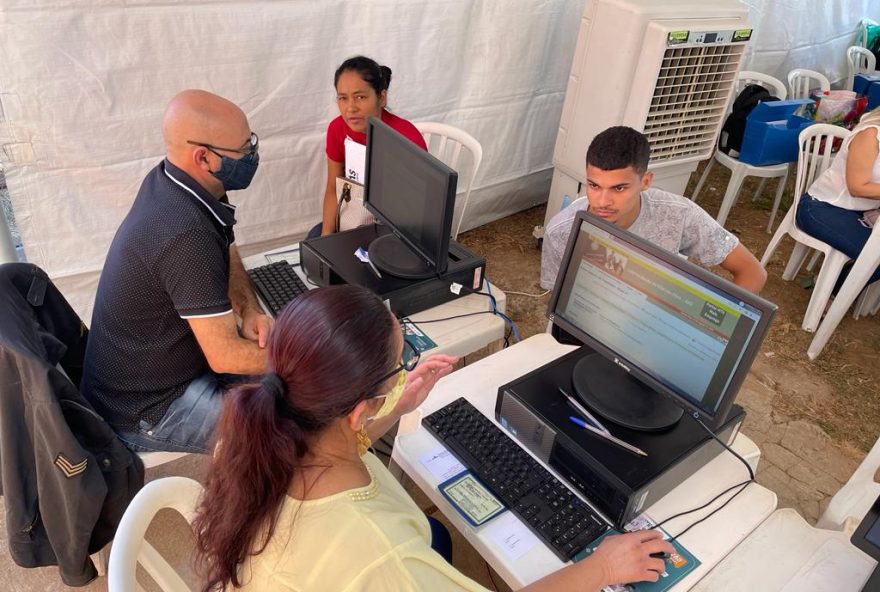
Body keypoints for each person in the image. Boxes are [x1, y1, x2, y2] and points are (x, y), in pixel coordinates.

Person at [193, 285, 674, 592]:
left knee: (437, 536)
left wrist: (396, 405)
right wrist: (604, 569)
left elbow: (333, 443)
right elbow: (384, 563)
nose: (402, 377)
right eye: (396, 370)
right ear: (358, 409)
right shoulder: (383, 556)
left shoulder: (250, 439)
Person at [81, 90, 272, 454]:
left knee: (286, 378)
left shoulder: (180, 181)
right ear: (204, 157)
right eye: (245, 149)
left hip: (157, 368)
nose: (252, 155)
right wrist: (311, 356)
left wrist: (249, 309)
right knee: (286, 433)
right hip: (146, 407)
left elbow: (226, 245)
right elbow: (225, 356)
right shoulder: (183, 231)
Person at [540, 126, 767, 294]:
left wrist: (716, 331)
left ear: (646, 181)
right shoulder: (561, 231)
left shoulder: (678, 214)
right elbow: (558, 297)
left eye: (619, 188)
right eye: (594, 185)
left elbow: (752, 272)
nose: (602, 201)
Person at [310, 55, 428, 237]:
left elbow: (417, 212)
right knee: (315, 236)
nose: (350, 108)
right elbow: (333, 189)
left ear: (381, 97)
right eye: (343, 98)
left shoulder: (406, 138)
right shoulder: (337, 129)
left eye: (360, 97)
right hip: (355, 216)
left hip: (395, 229)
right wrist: (325, 242)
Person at [795, 106, 880, 293]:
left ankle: (830, 287)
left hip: (857, 212)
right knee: (875, 257)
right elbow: (857, 187)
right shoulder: (871, 134)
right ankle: (829, 291)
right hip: (822, 208)